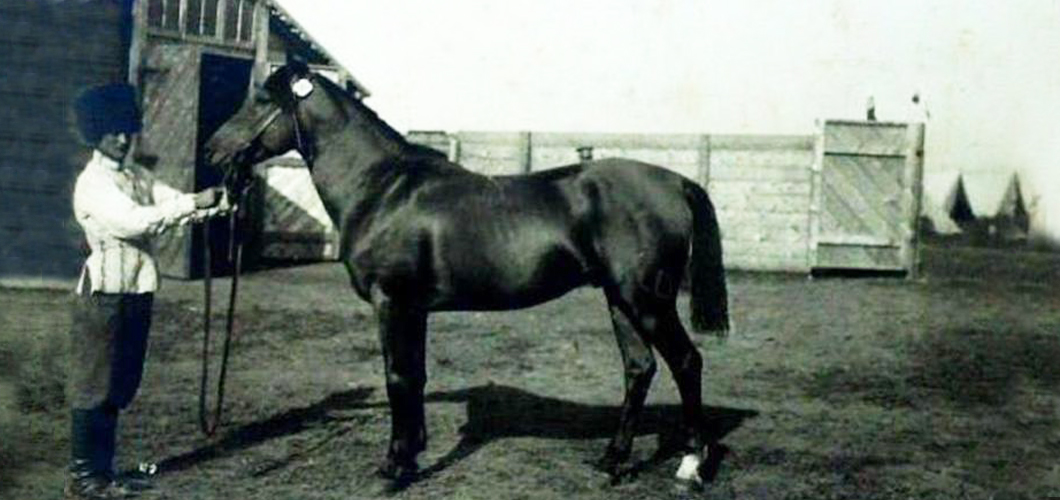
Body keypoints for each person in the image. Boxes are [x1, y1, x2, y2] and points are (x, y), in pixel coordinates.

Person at [66, 83, 228, 499]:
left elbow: (172, 202)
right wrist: (193, 203)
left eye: (126, 130)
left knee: (120, 384)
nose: (122, 139)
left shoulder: (137, 175)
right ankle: (85, 477)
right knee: (95, 384)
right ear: (95, 133)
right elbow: (135, 222)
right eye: (112, 132)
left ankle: (104, 473)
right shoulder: (93, 183)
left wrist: (221, 201)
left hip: (137, 289)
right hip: (103, 292)